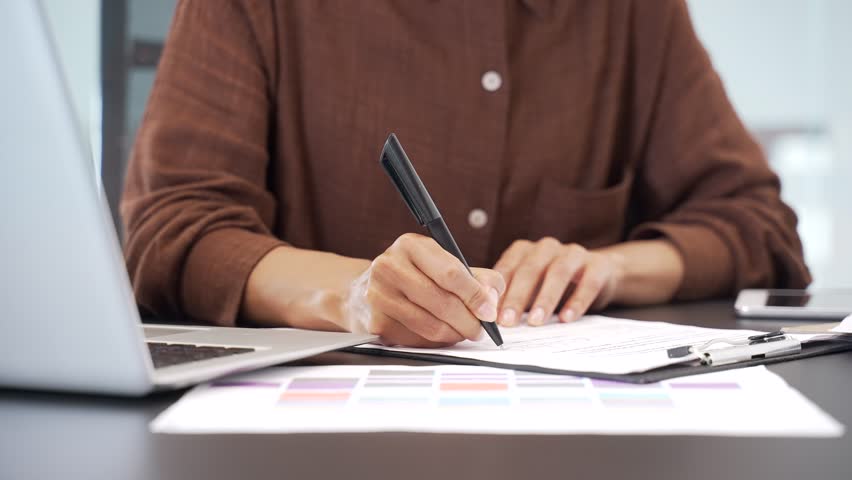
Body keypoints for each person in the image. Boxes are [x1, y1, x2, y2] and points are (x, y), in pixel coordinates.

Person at [121, 0, 810, 348]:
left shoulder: (631, 13)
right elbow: (173, 230)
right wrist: (352, 297)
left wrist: (607, 269)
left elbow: (757, 224)